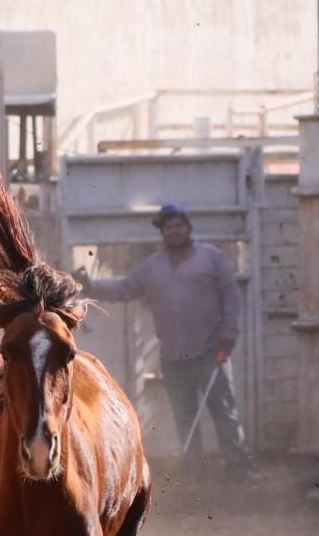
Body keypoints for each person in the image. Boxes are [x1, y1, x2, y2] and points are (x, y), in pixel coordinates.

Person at [77, 204, 251, 477]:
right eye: (168, 227)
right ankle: (195, 471)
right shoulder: (152, 268)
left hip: (210, 352)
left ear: (188, 228)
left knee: (224, 412)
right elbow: (126, 288)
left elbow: (231, 298)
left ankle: (238, 468)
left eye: (178, 225)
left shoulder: (212, 258)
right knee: (185, 417)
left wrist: (228, 336)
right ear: (162, 233)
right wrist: (90, 286)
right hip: (173, 357)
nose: (174, 231)